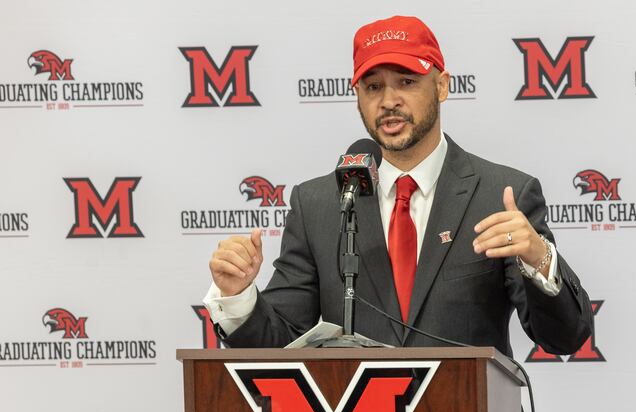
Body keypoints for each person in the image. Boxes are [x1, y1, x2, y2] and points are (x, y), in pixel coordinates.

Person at [203, 15, 591, 362]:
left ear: (441, 86)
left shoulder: (501, 194)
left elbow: (563, 339)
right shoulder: (318, 204)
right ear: (357, 97)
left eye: (406, 82)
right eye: (373, 87)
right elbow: (280, 347)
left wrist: (540, 260)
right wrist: (238, 298)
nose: (389, 101)